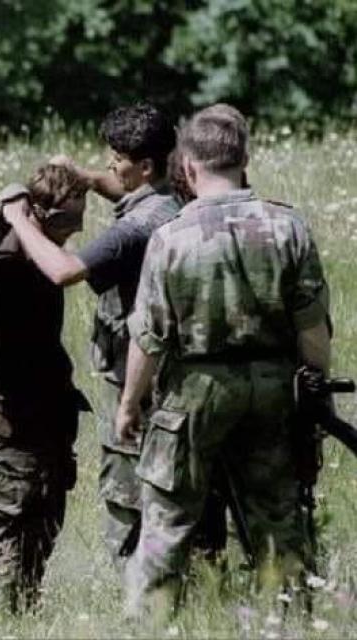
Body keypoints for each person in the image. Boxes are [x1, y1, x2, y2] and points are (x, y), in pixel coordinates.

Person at [115, 104, 329, 616]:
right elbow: (313, 331)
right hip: (274, 392)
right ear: (244, 159)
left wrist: (129, 404)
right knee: (279, 523)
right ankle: (291, 621)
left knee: (167, 523)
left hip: (194, 395)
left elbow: (149, 337)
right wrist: (314, 395)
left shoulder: (170, 237)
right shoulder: (289, 227)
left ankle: (148, 621)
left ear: (188, 166)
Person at [1, 103, 180, 570]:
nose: (108, 166)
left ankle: (137, 589)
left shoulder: (134, 229)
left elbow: (64, 271)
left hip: (137, 385)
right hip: (176, 379)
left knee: (128, 501)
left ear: (145, 166)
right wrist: (82, 175)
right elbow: (122, 186)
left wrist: (19, 219)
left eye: (116, 158)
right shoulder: (178, 197)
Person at [0, 163, 91, 618]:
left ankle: (22, 615)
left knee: (41, 526)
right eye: (68, 219)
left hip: (46, 416)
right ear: (39, 212)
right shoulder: (9, 262)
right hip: (16, 419)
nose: (76, 229)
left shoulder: (37, 250)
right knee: (10, 532)